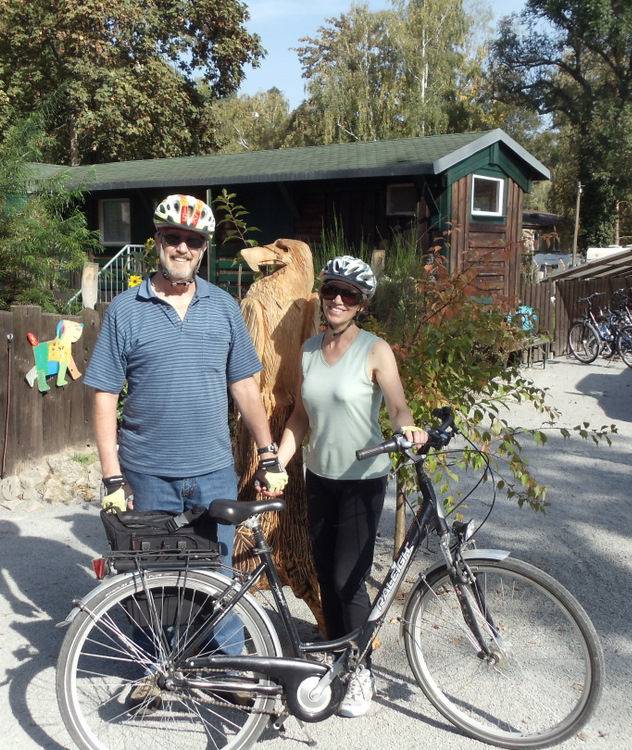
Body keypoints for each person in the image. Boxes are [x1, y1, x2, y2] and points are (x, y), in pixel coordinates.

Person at [84, 194, 287, 676]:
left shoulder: (223, 307)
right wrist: (112, 476)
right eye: (173, 237)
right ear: (157, 241)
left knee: (218, 578)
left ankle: (230, 670)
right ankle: (157, 672)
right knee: (153, 581)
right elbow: (103, 398)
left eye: (192, 241)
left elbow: (244, 385)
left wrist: (268, 452)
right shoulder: (124, 310)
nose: (182, 247)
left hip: (214, 472)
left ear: (202, 250)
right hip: (148, 474)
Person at [268, 255, 427, 718]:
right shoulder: (310, 350)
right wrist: (278, 462)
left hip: (362, 481)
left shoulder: (375, 350)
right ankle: (339, 652)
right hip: (318, 476)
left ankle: (361, 671)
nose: (338, 300)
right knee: (324, 573)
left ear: (361, 305)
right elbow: (300, 416)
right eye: (332, 291)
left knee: (347, 578)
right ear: (323, 295)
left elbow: (398, 407)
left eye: (349, 295)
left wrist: (409, 429)